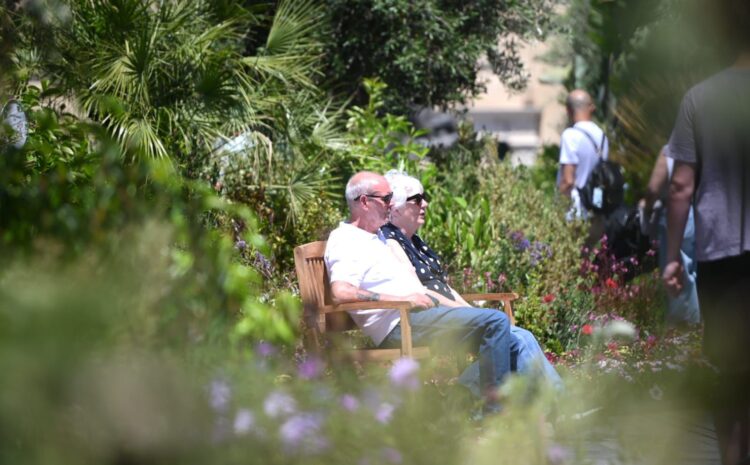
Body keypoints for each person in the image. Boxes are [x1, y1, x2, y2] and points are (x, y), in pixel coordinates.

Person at [324, 171, 514, 410]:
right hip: (398, 323)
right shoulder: (346, 239)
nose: (392, 203)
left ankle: (457, 404)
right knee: (496, 323)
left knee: (510, 338)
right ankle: (493, 414)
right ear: (364, 202)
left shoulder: (376, 237)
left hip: (418, 317)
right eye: (386, 198)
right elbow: (340, 291)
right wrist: (403, 299)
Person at [381, 171, 563, 392]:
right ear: (397, 208)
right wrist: (473, 314)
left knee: (523, 336)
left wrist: (469, 310)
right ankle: (545, 407)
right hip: (423, 319)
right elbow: (421, 290)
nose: (425, 204)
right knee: (515, 340)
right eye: (417, 199)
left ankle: (546, 406)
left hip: (446, 314)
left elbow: (442, 287)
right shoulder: (390, 241)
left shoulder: (416, 242)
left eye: (424, 197)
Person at [663, 2, 750, 462]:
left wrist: (674, 255)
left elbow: (680, 184)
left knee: (728, 366)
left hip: (723, 253)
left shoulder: (699, 97)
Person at [639, 146, 700, 326]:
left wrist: (645, 206)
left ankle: (683, 334)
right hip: (706, 215)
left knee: (679, 279)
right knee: (697, 275)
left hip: (679, 217)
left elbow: (653, 188)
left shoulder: (673, 148)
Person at [557, 89, 610, 222]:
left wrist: (556, 208)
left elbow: (568, 180)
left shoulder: (570, 135)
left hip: (574, 210)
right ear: (591, 108)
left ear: (568, 110)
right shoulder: (602, 136)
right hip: (596, 208)